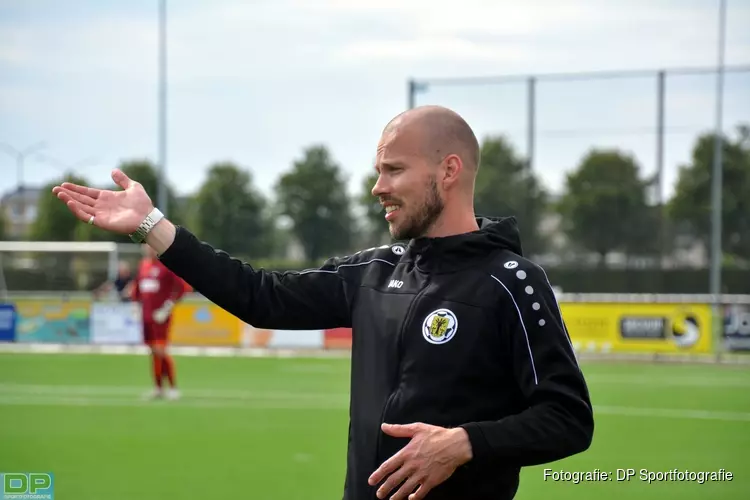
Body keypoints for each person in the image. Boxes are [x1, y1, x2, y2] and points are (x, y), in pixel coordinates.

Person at [52, 105, 594, 499]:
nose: (377, 186)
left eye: (394, 170)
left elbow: (568, 418)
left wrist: (465, 444)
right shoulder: (372, 273)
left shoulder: (510, 281)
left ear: (448, 172)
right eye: (378, 169)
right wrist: (154, 227)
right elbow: (261, 297)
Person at [131, 243, 190, 400]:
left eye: (150, 246)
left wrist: (167, 307)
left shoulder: (166, 265)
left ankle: (172, 387)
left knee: (160, 350)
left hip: (160, 317)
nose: (147, 249)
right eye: (145, 247)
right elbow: (137, 287)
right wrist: (136, 305)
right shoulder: (143, 265)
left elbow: (183, 287)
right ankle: (158, 388)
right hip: (146, 316)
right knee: (152, 351)